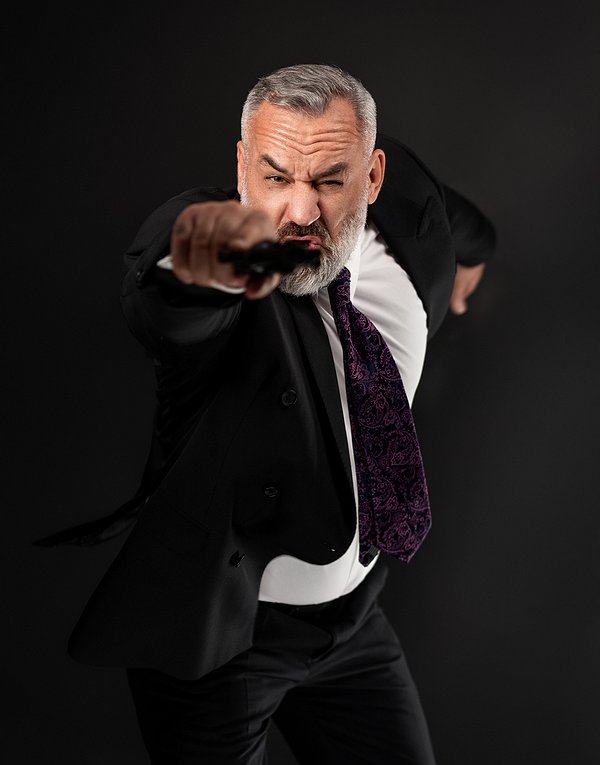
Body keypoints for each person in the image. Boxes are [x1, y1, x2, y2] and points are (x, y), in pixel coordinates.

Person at [37, 63, 496, 763]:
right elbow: (170, 297)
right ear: (243, 167)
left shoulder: (407, 202)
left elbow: (452, 219)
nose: (301, 211)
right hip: (222, 640)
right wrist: (210, 261)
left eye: (330, 181)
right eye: (275, 177)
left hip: (355, 624)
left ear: (373, 176)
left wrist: (474, 252)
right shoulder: (224, 261)